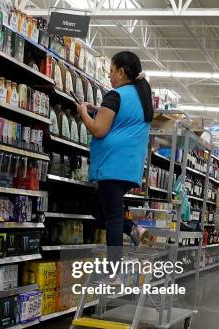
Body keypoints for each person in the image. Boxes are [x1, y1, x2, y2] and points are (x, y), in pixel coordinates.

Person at [76, 51, 153, 262]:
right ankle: (135, 230)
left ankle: (114, 272)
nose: (109, 75)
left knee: (111, 219)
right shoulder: (140, 96)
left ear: (121, 71)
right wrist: (99, 108)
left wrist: (83, 111)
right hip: (128, 167)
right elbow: (124, 118)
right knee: (97, 208)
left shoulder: (115, 95)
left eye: (111, 71)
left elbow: (99, 129)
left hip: (112, 164)